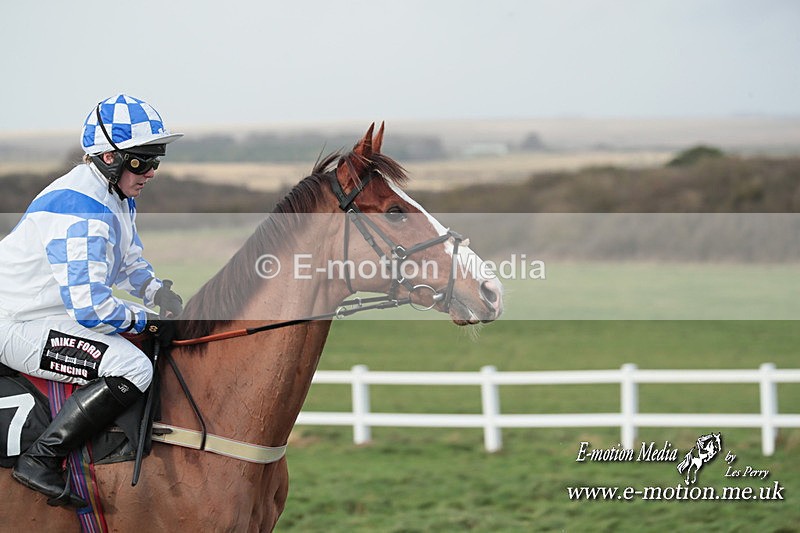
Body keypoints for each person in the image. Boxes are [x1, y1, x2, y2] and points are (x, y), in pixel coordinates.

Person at [0, 94, 184, 507]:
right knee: (133, 366)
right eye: (141, 161)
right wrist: (146, 322)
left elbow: (127, 260)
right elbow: (92, 309)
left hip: (43, 312)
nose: (151, 172)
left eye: (156, 160)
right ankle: (40, 460)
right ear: (106, 158)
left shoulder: (116, 195)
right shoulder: (80, 209)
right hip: (14, 322)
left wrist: (156, 292)